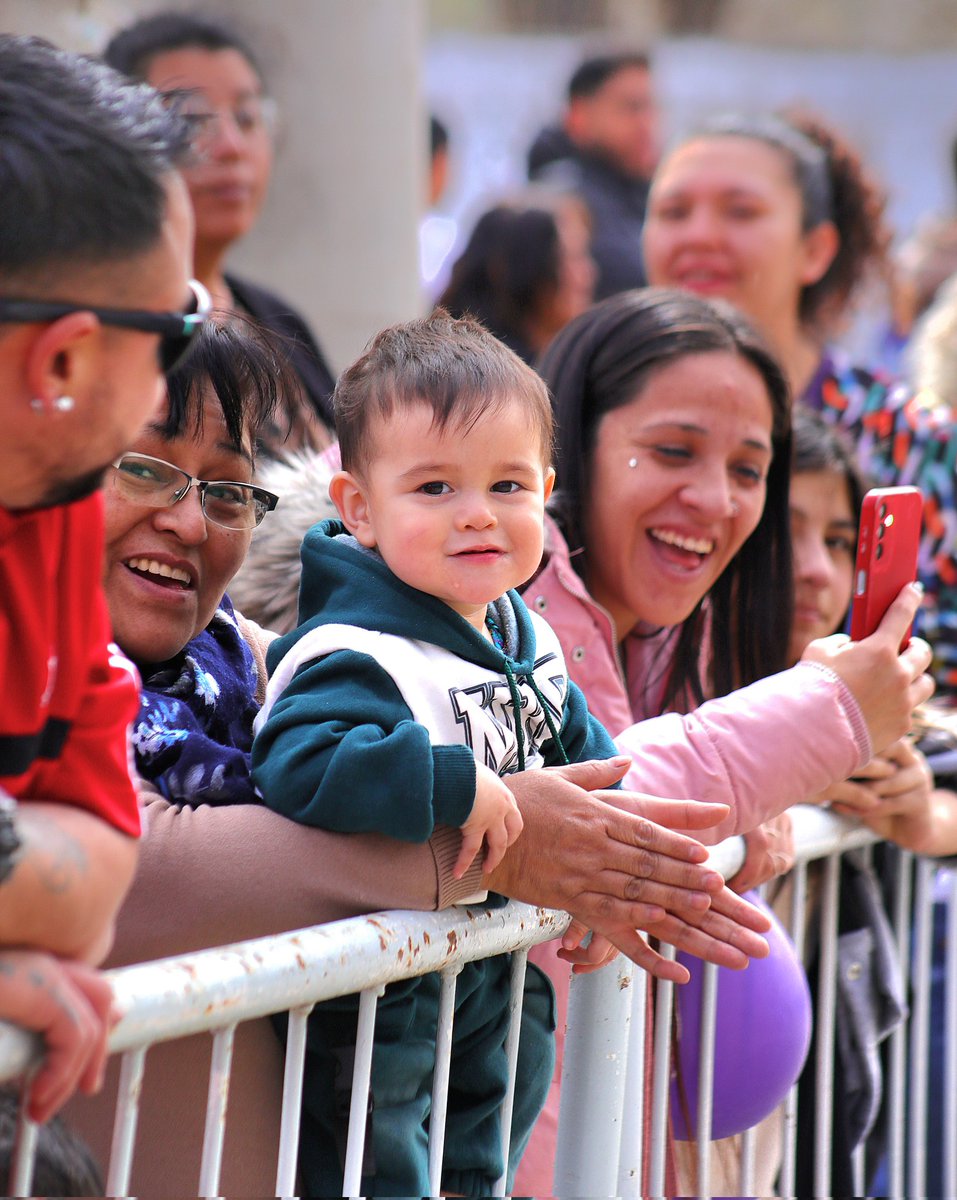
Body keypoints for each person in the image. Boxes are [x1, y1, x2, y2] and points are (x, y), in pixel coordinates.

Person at [65, 312, 771, 1197]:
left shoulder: (240, 654)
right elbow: (154, 862)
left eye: (227, 489)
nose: (188, 519)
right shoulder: (42, 664)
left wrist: (621, 856)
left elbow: (587, 765)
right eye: (144, 467)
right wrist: (507, 846)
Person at [512, 287, 934, 1193]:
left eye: (749, 471)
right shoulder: (487, 611)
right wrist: (825, 715)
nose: (711, 499)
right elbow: (599, 803)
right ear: (567, 450)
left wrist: (796, 780)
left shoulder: (689, 644)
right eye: (670, 451)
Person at [249, 311, 629, 1194]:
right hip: (381, 999)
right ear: (359, 510)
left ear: (545, 491)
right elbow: (299, 762)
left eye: (506, 486)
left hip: (492, 974)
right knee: (379, 1167)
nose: (477, 518)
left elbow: (592, 761)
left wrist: (610, 877)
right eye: (433, 490)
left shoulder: (521, 631)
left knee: (485, 1148)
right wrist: (457, 784)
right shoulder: (353, 647)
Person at [0, 33, 202, 1123]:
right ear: (66, 359)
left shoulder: (60, 506)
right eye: (179, 325)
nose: (176, 372)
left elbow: (97, 879)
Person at [642, 110, 957, 702]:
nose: (699, 235)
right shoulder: (596, 421)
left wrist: (924, 792)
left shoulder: (913, 441)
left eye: (740, 212)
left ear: (815, 249)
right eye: (673, 212)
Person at [103, 10, 336, 449]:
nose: (231, 147)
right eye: (190, 121)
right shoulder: (109, 328)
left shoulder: (279, 322)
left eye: (247, 118)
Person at [529, 52, 660, 299]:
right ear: (579, 116)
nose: (647, 123)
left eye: (651, 107)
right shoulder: (558, 199)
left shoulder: (648, 193)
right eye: (631, 108)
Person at [438, 190, 596, 364]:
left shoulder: (571, 365)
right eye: (570, 259)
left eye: (584, 254)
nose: (587, 274)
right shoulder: (489, 383)